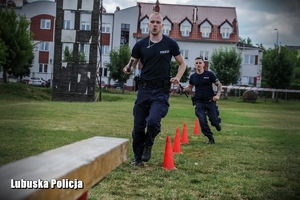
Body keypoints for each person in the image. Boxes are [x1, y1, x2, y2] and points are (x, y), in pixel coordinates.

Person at [123, 12, 186, 166]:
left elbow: (182, 64)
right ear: (148, 24)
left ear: (162, 25)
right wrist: (127, 68)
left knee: (152, 122)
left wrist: (178, 77)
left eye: (158, 22)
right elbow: (131, 62)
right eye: (152, 22)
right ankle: (138, 159)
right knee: (138, 126)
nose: (155, 24)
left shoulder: (170, 44)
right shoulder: (140, 45)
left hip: (161, 91)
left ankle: (149, 142)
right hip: (144, 89)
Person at [183, 57, 222, 144]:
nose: (198, 64)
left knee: (214, 120)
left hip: (210, 100)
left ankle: (216, 123)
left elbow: (219, 85)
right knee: (202, 121)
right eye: (196, 63)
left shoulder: (210, 74)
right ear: (194, 65)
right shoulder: (193, 76)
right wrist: (185, 89)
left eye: (200, 63)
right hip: (199, 102)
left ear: (203, 64)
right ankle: (210, 137)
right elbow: (190, 87)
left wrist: (218, 95)